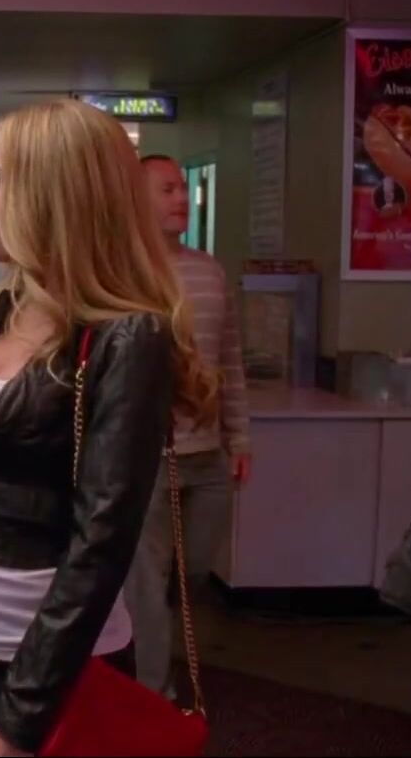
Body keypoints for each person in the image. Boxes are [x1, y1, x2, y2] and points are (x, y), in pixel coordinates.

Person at [0, 99, 219, 757]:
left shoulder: (128, 336)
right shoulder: (5, 306)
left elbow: (101, 542)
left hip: (57, 673)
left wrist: (19, 720)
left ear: (55, 197)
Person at [121, 153, 251, 698]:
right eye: (168, 190)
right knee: (147, 579)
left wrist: (239, 436)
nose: (182, 199)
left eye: (182, 189)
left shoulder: (209, 271)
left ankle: (145, 650)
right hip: (148, 455)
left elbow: (230, 359)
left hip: (208, 454)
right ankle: (155, 692)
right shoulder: (122, 272)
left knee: (191, 570)